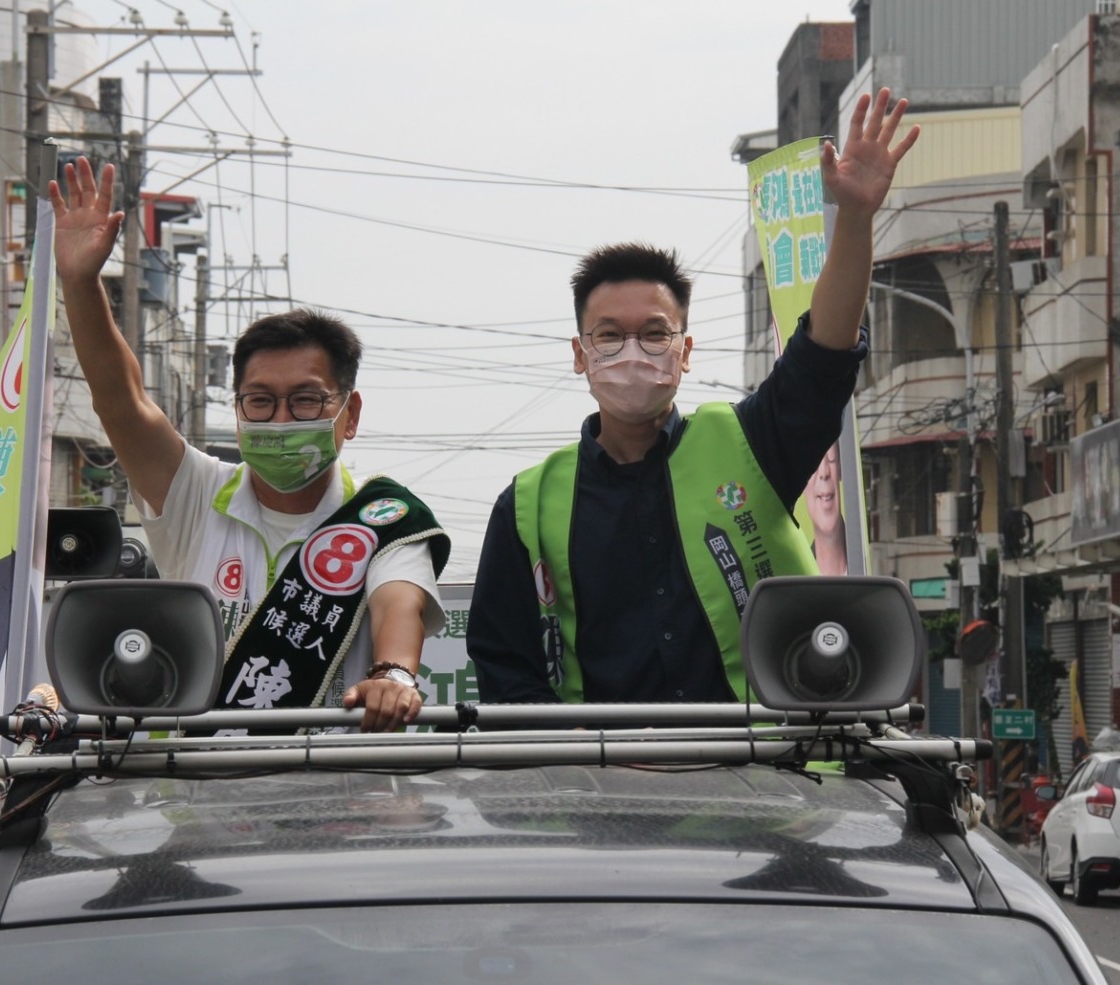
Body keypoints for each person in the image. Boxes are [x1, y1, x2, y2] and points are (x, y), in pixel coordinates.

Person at [467, 88, 917, 705]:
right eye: (609, 335)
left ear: (685, 351)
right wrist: (593, 751)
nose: (633, 351)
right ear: (579, 354)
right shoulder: (526, 506)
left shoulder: (751, 443)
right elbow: (505, 668)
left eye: (654, 333)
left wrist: (857, 218)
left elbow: (824, 356)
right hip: (605, 790)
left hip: (770, 783)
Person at [50, 157, 449, 732]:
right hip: (204, 803)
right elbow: (120, 399)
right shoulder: (193, 494)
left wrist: (392, 675)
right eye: (260, 401)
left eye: (306, 401)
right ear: (235, 409)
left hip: (338, 804)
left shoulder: (385, 520)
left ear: (349, 412)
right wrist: (80, 283)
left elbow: (398, 606)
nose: (281, 419)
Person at [806, 442, 848, 576]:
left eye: (831, 459)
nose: (824, 472)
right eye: (813, 460)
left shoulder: (866, 560)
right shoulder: (791, 581)